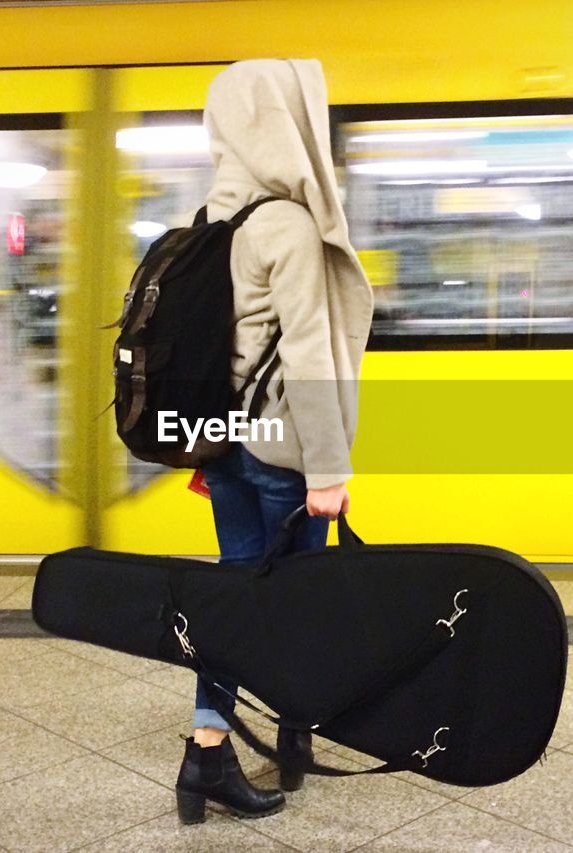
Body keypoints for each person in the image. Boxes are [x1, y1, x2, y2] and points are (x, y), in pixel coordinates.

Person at [174, 58, 374, 824]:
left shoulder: (210, 221)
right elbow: (310, 354)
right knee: (291, 605)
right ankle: (214, 750)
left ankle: (261, 743)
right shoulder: (287, 224)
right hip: (280, 458)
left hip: (222, 445)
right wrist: (328, 469)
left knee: (237, 595)